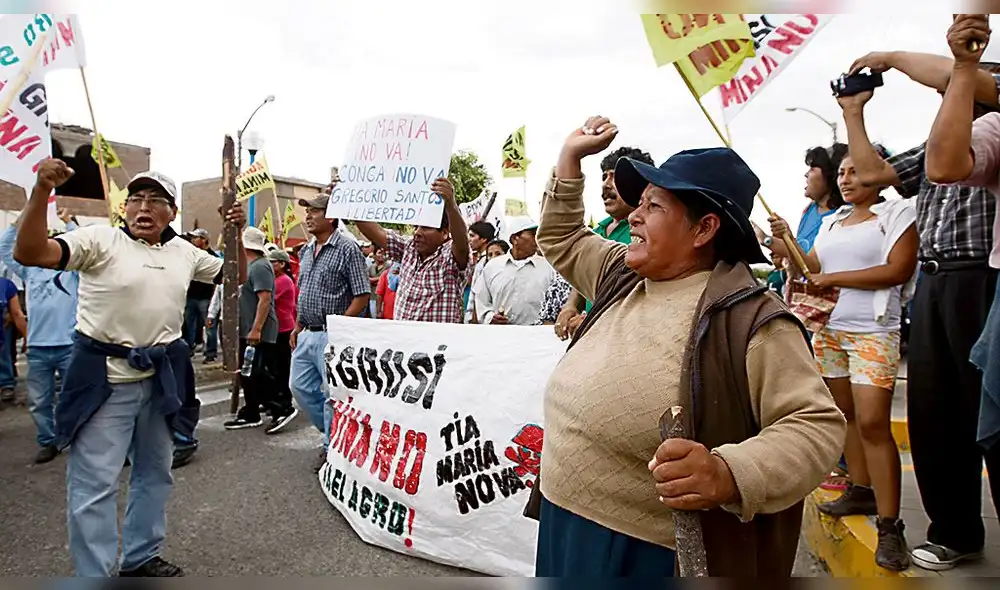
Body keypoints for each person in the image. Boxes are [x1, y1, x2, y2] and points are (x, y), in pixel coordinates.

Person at [531, 116, 845, 577]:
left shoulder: (751, 319)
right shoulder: (622, 273)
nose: (633, 215)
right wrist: (570, 159)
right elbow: (561, 237)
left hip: (644, 551)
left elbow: (815, 426)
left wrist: (727, 472)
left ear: (704, 229)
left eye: (653, 206)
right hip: (563, 518)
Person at [12, 160, 246, 577]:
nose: (144, 207)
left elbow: (234, 275)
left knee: (156, 474)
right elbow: (29, 252)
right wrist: (39, 190)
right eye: (136, 198)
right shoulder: (99, 240)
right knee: (94, 485)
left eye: (156, 200)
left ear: (171, 213)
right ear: (124, 208)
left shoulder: (185, 252)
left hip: (161, 382)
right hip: (104, 383)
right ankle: (95, 574)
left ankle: (141, 556)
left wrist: (235, 235)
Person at [841, 43, 1000, 571]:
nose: (942, 94)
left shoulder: (994, 121)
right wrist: (853, 113)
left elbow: (956, 72)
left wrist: (889, 56)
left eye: (950, 88)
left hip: (985, 279)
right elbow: (869, 174)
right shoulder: (938, 145)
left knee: (991, 412)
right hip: (933, 284)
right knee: (935, 413)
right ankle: (954, 532)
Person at [770, 151, 918, 571]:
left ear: (879, 173)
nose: (847, 179)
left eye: (856, 171)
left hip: (873, 332)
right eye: (842, 173)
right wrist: (786, 241)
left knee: (873, 423)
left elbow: (897, 269)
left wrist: (832, 279)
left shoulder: (897, 213)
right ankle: (859, 486)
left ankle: (890, 524)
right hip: (830, 331)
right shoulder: (833, 223)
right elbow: (808, 268)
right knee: (845, 416)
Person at [920, 12, 1000, 570]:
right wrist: (965, 64)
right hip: (945, 281)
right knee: (947, 414)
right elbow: (942, 164)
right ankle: (954, 528)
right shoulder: (986, 131)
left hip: (979, 279)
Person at [290, 192, 370, 470]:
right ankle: (334, 434)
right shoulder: (305, 250)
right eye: (307, 211)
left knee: (331, 394)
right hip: (306, 333)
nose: (308, 216)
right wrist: (298, 325)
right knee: (299, 388)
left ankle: (331, 451)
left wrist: (341, 326)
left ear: (331, 216)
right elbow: (305, 290)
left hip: (331, 334)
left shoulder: (348, 249)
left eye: (314, 211)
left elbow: (362, 295)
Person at [0, 209, 79, 463]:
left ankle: (77, 438)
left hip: (69, 345)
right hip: (38, 349)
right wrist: (16, 222)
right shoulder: (29, 271)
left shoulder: (72, 271)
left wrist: (69, 222)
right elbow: (4, 250)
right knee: (39, 401)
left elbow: (84, 246)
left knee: (75, 396)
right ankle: (48, 441)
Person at [557, 146, 655, 339]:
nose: (606, 184)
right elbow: (585, 274)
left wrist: (593, 319)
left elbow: (640, 293)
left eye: (615, 177)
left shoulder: (648, 232)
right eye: (604, 177)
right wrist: (570, 306)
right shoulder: (595, 232)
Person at [354, 177, 472, 323]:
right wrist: (349, 201)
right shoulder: (408, 249)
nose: (417, 232)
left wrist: (450, 204)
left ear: (445, 233)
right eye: (416, 227)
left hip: (437, 343)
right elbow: (376, 232)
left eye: (426, 227)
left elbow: (462, 242)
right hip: (403, 342)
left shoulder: (451, 257)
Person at [225, 228, 298, 433]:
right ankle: (251, 412)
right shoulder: (248, 267)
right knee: (247, 373)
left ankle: (281, 408)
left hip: (259, 330)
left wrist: (256, 329)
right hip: (246, 328)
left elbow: (265, 299)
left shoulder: (259, 267)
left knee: (257, 372)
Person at [475, 218, 555, 326]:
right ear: (515, 239)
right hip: (500, 335)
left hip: (536, 337)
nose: (538, 239)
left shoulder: (548, 268)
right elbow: (481, 301)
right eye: (533, 234)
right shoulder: (492, 267)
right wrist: (490, 317)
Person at [268, 248, 297, 410]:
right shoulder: (275, 279)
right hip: (275, 328)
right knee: (274, 366)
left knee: (282, 367)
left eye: (272, 262)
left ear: (282, 264)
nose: (270, 265)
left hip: (283, 328)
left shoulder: (284, 280)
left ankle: (285, 400)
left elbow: (269, 297)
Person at [182, 228, 218, 362]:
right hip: (190, 297)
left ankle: (210, 352)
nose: (192, 240)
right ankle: (188, 350)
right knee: (188, 325)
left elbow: (217, 280)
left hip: (205, 298)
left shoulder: (212, 257)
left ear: (203, 240)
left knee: (209, 326)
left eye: (195, 237)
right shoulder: (190, 255)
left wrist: (214, 297)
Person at [0, 274, 26, 406]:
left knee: (5, 351)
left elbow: (17, 314)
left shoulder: (5, 284)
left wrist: (28, 337)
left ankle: (6, 383)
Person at [465, 220, 496, 323]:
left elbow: (479, 295)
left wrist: (475, 320)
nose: (469, 240)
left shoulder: (487, 262)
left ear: (483, 239)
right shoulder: (479, 260)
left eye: (472, 236)